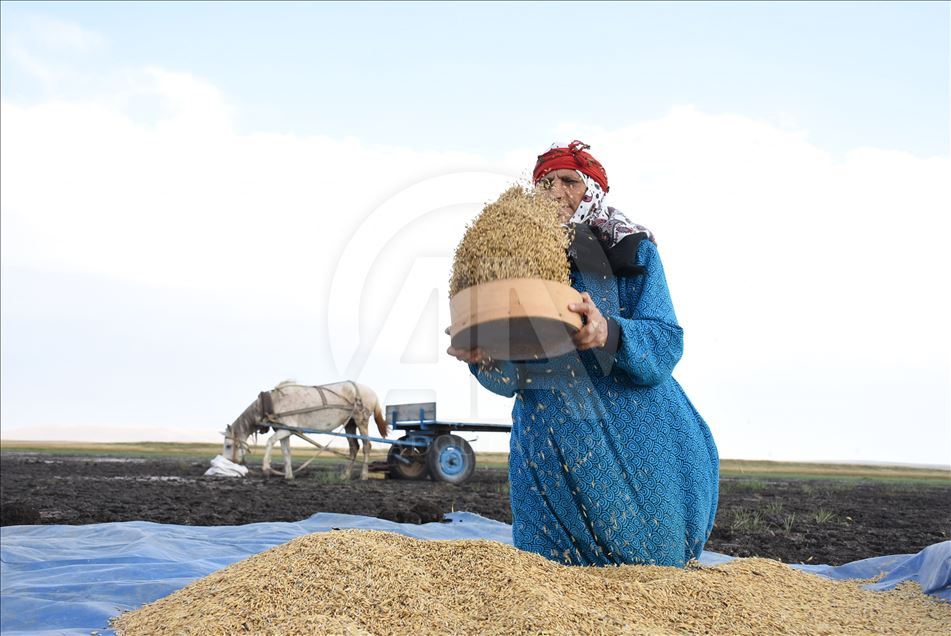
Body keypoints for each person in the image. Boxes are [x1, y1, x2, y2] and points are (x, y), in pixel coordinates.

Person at [447, 141, 719, 567]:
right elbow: (512, 379)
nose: (555, 192)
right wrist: (481, 358)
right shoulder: (516, 266)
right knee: (549, 575)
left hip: (634, 437)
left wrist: (607, 331)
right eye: (544, 184)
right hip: (549, 444)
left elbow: (666, 341)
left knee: (652, 567)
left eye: (568, 181)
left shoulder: (632, 251)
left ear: (592, 190)